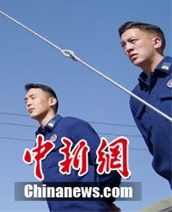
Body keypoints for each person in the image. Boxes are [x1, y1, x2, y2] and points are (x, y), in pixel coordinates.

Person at [23, 83, 120, 211]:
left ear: (52, 101)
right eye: (26, 100)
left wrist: (104, 200)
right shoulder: (40, 142)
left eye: (33, 97)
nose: (28, 103)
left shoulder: (72, 125)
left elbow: (108, 164)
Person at [118, 21, 172, 188]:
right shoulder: (136, 96)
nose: (128, 48)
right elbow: (152, 144)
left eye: (133, 41)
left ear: (156, 42)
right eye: (123, 45)